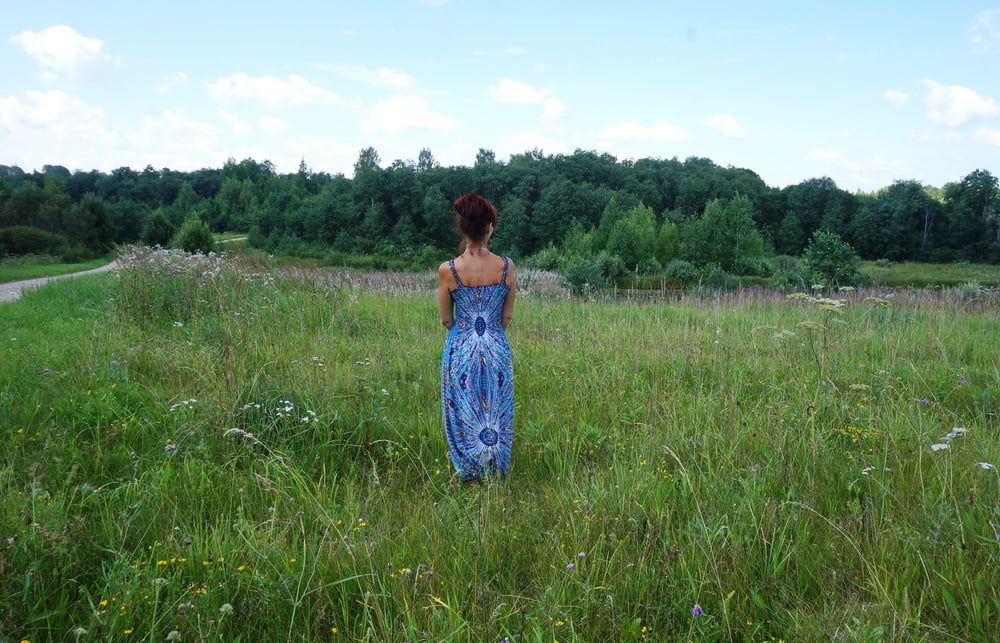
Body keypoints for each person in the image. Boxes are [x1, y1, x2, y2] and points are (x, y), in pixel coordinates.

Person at [437, 192, 516, 486]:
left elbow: (446, 319)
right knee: (497, 409)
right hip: (496, 346)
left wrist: (467, 335)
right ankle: (495, 471)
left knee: (463, 409)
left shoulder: (448, 270)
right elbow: (506, 317)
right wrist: (490, 336)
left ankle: (468, 471)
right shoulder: (507, 267)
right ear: (490, 227)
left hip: (461, 348)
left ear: (461, 226)